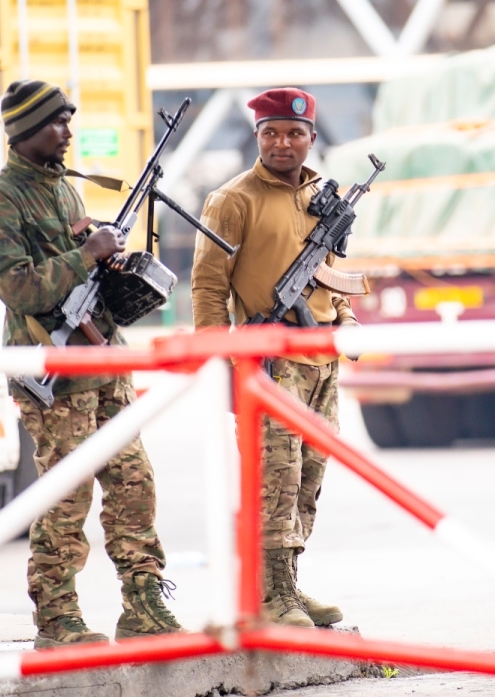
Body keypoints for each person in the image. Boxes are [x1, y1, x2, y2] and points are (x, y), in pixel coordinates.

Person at [0, 80, 183, 648]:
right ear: (24, 132)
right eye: (56, 123)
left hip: (104, 361)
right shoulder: (2, 200)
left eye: (69, 121)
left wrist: (105, 260)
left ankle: (143, 603)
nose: (67, 132)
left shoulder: (66, 189)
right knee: (66, 493)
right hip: (54, 369)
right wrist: (83, 254)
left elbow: (78, 269)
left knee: (133, 483)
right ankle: (57, 614)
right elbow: (16, 287)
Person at [190, 87, 360, 627]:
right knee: (274, 478)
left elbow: (331, 272)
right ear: (256, 137)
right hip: (268, 360)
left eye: (293, 133)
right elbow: (208, 287)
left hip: (320, 360)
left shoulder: (321, 195)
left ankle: (285, 584)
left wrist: (346, 321)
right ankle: (269, 595)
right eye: (270, 133)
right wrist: (220, 360)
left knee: (308, 477)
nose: (282, 143)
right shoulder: (231, 200)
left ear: (311, 138)